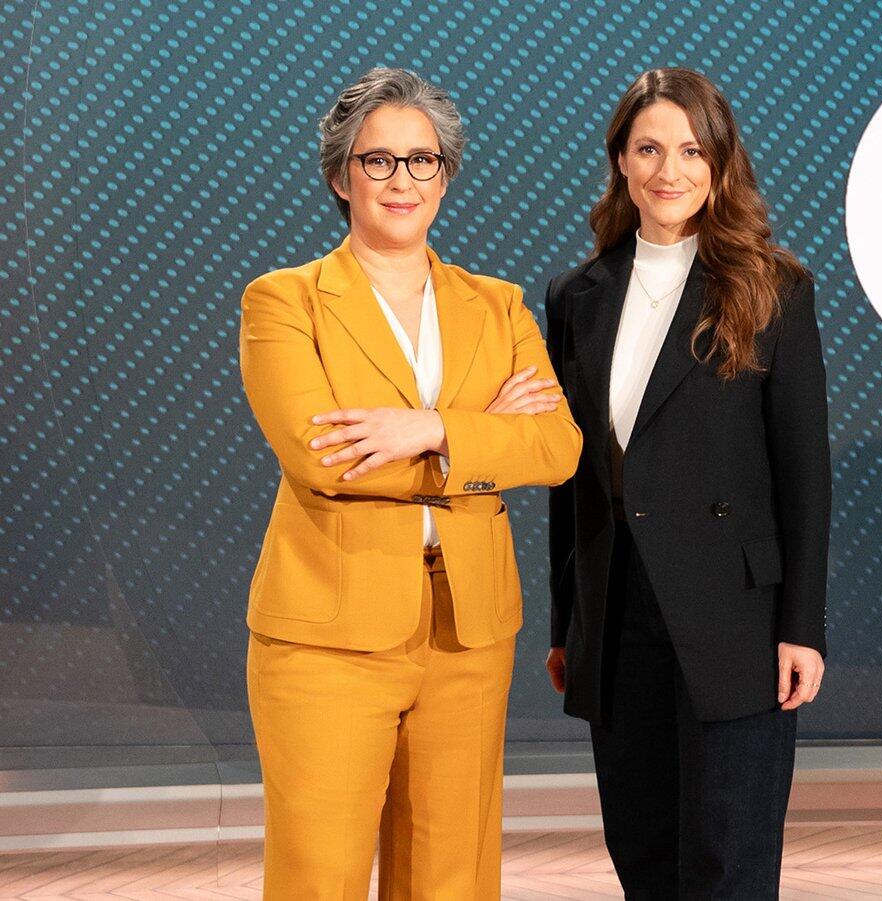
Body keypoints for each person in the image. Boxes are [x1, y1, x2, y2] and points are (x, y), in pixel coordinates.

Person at [238, 67, 580, 899]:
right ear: (340, 176)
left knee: (451, 879)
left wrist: (430, 430)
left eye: (422, 160)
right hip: (329, 634)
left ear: (445, 175)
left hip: (468, 630)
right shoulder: (285, 302)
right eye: (378, 160)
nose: (402, 180)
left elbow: (556, 446)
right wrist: (483, 439)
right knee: (319, 876)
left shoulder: (498, 307)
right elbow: (324, 458)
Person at [544, 67, 831, 898]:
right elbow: (570, 477)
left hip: (735, 620)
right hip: (618, 615)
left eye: (692, 151)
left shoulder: (773, 287)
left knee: (726, 862)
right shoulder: (575, 297)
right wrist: (569, 622)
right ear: (621, 161)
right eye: (649, 149)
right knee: (643, 855)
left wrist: (801, 626)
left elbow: (804, 473)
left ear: (720, 163)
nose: (669, 170)